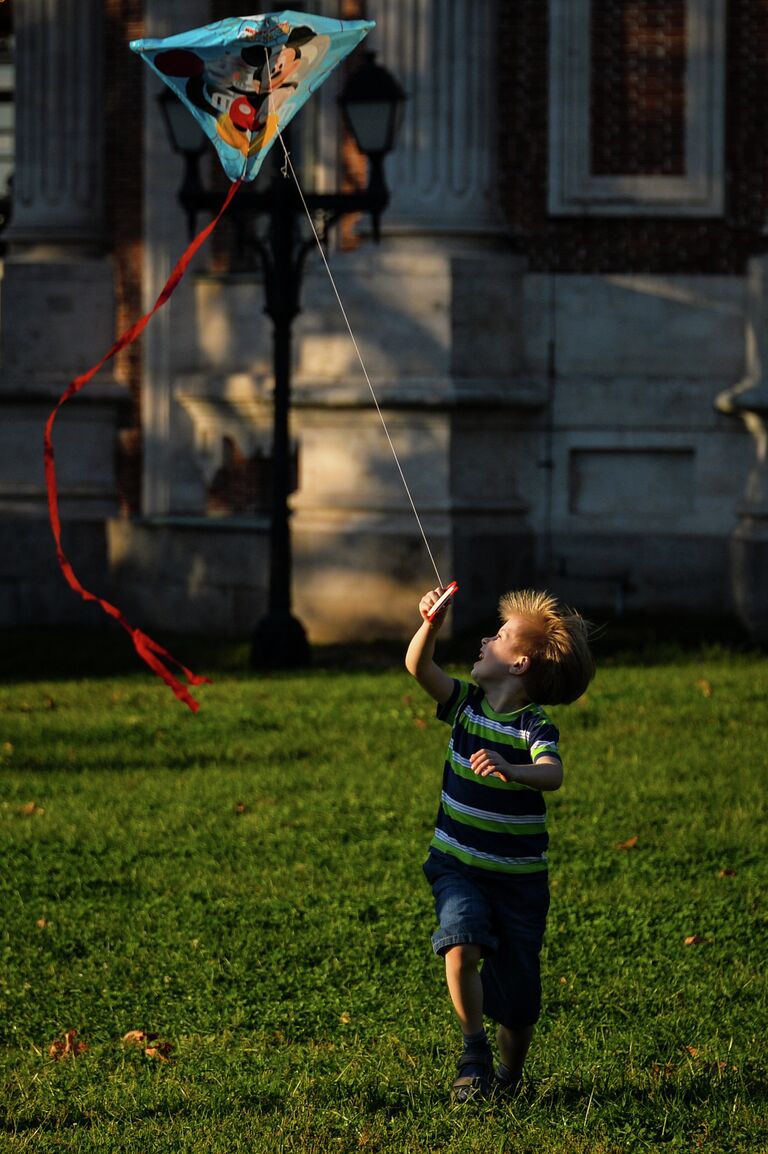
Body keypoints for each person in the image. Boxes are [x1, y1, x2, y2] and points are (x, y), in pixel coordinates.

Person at [405, 585, 595, 1102]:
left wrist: (515, 768)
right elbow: (418, 668)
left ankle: (509, 1079)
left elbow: (552, 774)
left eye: (500, 635)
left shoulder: (534, 725)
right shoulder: (463, 704)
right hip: (457, 865)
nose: (486, 639)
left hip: (519, 883)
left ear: (519, 664)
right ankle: (473, 1052)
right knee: (460, 942)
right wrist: (430, 626)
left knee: (519, 1004)